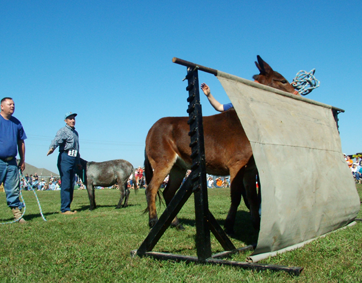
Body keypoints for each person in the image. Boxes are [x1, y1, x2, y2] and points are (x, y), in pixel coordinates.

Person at [47, 112, 81, 215]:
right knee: (66, 183)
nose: (73, 120)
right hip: (65, 158)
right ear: (65, 121)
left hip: (73, 159)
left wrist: (78, 161)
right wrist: (52, 148)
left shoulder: (75, 133)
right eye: (70, 119)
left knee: (71, 184)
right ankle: (64, 209)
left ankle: (68, 207)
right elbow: (56, 140)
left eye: (74, 118)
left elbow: (77, 148)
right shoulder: (63, 131)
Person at [0, 97, 27, 223]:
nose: (12, 106)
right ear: (2, 106)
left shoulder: (16, 122)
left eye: (14, 104)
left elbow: (21, 142)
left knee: (13, 189)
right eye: (9, 104)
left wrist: (22, 160)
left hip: (12, 162)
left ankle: (17, 215)